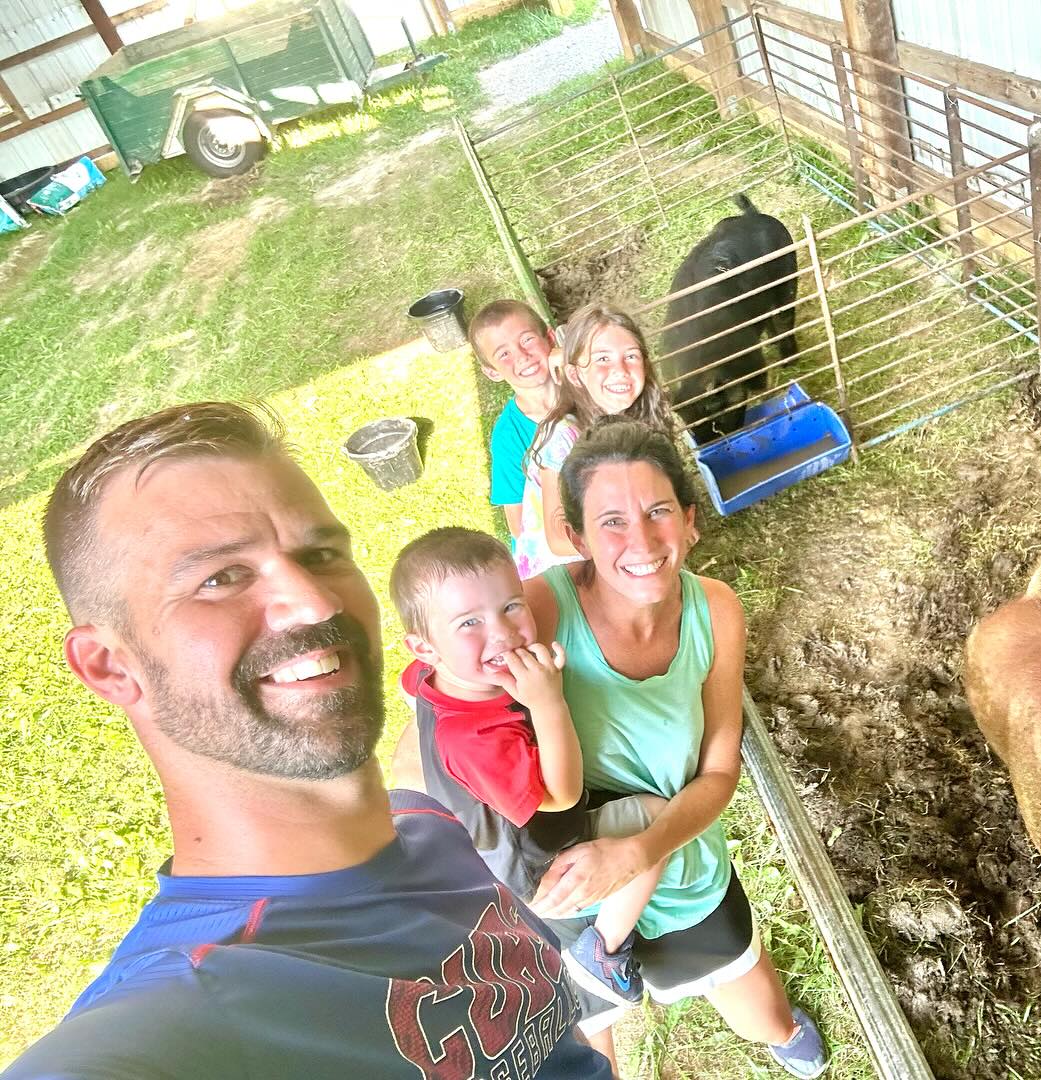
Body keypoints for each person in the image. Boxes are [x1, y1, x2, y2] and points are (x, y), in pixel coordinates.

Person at [4, 402, 609, 1080]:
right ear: (111, 666)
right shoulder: (184, 1012)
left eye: (321, 554)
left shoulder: (434, 830)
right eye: (220, 578)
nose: (318, 602)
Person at [528, 417, 829, 1078]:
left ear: (689, 520)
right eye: (611, 520)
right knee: (585, 1039)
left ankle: (779, 1033)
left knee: (763, 1012)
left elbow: (720, 772)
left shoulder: (715, 610)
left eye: (658, 510)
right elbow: (449, 707)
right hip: (570, 878)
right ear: (575, 537)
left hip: (676, 851)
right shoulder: (540, 610)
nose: (640, 539)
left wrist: (638, 852)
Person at [388, 526, 665, 1005]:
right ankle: (604, 953)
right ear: (425, 648)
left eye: (511, 605)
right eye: (468, 623)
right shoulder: (476, 738)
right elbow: (562, 794)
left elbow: (410, 686)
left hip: (510, 834)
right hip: (539, 866)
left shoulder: (442, 677)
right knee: (657, 823)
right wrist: (548, 701)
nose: (502, 632)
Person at [513, 303, 671, 580]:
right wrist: (634, 547)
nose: (620, 370)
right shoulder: (564, 438)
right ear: (574, 374)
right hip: (561, 576)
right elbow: (559, 538)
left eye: (631, 356)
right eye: (602, 359)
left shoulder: (637, 421)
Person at [470, 299, 558, 541]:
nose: (522, 356)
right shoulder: (508, 436)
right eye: (504, 354)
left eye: (527, 340)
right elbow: (520, 526)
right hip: (560, 542)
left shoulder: (587, 389)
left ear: (550, 339)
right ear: (491, 371)